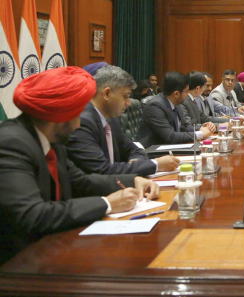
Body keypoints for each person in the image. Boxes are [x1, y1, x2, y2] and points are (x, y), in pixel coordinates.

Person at [0, 66, 159, 265]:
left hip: (54, 247)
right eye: (76, 115)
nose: (77, 125)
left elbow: (81, 181)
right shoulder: (11, 143)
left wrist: (133, 180)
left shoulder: (52, 140)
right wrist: (107, 204)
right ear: (59, 115)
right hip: (18, 262)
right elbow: (32, 214)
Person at [67, 65, 179, 176]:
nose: (128, 103)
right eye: (125, 96)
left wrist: (136, 163)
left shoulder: (112, 120)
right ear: (106, 94)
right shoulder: (82, 122)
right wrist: (155, 164)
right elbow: (103, 170)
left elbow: (134, 149)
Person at [136, 71, 215, 148]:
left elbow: (184, 127)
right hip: (153, 153)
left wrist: (202, 128)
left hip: (170, 148)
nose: (187, 94)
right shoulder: (155, 106)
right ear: (176, 94)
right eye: (186, 91)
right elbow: (170, 137)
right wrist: (200, 134)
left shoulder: (175, 103)